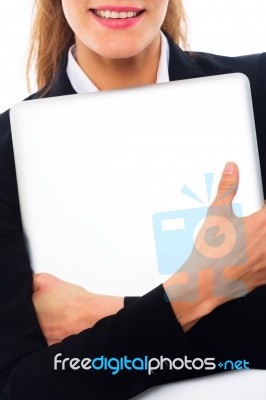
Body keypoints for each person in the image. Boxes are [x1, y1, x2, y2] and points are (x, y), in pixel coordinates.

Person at [0, 0, 265, 399]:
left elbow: (63, 374)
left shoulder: (261, 88)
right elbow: (23, 388)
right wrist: (205, 293)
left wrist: (113, 312)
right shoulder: (6, 155)